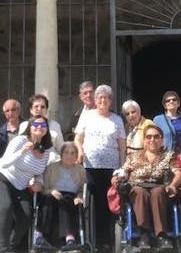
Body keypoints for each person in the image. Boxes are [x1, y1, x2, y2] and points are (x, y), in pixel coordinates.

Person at [0, 115, 52, 253]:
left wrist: (39, 182)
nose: (39, 127)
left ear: (47, 129)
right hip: (0, 178)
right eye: (36, 125)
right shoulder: (20, 140)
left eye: (43, 125)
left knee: (26, 217)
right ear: (30, 127)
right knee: (5, 207)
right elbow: (4, 163)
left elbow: (39, 172)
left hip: (20, 186)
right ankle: (4, 250)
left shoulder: (46, 150)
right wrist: (22, 151)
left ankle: (11, 246)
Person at [74, 84, 126, 248]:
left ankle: (107, 241)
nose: (102, 100)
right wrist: (80, 151)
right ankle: (92, 240)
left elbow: (122, 146)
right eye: (100, 97)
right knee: (92, 203)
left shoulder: (116, 119)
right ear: (95, 100)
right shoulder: (87, 116)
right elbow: (77, 138)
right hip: (90, 166)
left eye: (106, 97)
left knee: (108, 203)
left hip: (111, 167)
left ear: (110, 101)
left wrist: (122, 167)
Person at [116, 124, 181, 249]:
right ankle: (144, 234)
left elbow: (178, 173)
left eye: (156, 137)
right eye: (149, 137)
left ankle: (161, 235)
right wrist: (119, 177)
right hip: (137, 186)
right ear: (144, 140)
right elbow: (123, 171)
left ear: (162, 139)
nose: (152, 140)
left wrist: (173, 185)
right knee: (140, 192)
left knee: (158, 192)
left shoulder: (169, 155)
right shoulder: (133, 156)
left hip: (159, 186)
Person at [36, 142, 87, 248]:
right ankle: (40, 236)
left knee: (65, 202)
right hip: (52, 193)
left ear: (77, 155)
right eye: (66, 152)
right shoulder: (51, 168)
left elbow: (83, 189)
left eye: (73, 153)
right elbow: (43, 188)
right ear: (61, 154)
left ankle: (70, 238)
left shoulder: (81, 170)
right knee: (48, 200)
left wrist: (79, 197)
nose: (69, 156)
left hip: (71, 196)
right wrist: (51, 191)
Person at [19, 93, 65, 162]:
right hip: (28, 163)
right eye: (36, 106)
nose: (39, 109)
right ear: (31, 110)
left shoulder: (55, 125)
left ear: (46, 110)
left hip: (50, 163)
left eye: (42, 107)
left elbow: (61, 148)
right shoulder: (24, 125)